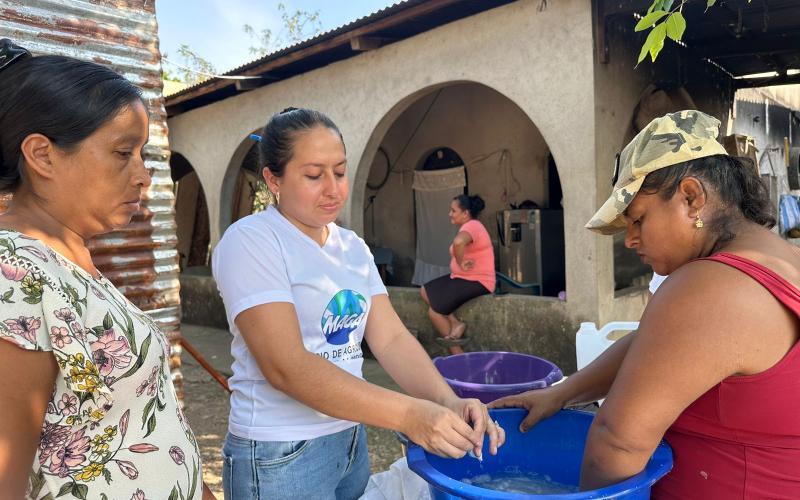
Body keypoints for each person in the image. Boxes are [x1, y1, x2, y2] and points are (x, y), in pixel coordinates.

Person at [491, 110, 800, 498]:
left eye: (638, 220)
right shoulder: (780, 260)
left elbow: (617, 442)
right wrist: (563, 392)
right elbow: (652, 347)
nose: (630, 240)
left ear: (691, 198)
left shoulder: (708, 285)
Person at [211, 108, 504, 500]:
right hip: (279, 455)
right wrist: (409, 415)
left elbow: (392, 339)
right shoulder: (252, 241)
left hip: (348, 437)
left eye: (340, 171)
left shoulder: (351, 247)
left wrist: (446, 399)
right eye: (314, 175)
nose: (333, 188)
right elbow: (287, 368)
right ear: (272, 179)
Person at [0, 39, 215, 499]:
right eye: (123, 153)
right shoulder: (16, 278)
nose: (143, 175)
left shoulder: (67, 262)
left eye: (143, 155)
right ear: (42, 155)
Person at [420, 194, 496, 355]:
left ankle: (458, 355)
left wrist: (461, 262)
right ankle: (455, 323)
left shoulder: (473, 226)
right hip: (462, 278)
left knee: (435, 312)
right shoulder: (470, 226)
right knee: (425, 290)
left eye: (453, 210)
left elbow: (459, 242)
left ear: (465, 213)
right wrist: (460, 263)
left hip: (477, 281)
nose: (450, 214)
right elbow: (459, 244)